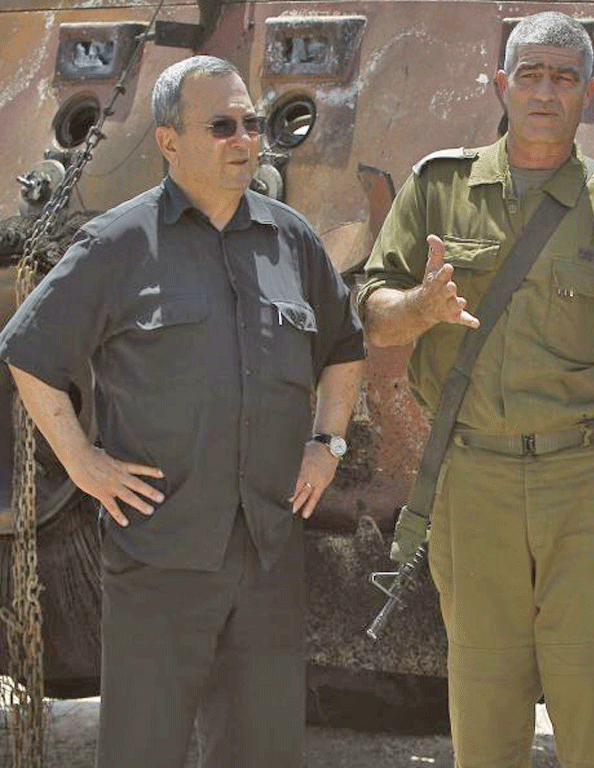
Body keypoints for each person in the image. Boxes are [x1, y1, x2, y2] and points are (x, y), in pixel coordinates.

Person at [0, 56, 365, 768]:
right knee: (144, 750)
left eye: (252, 124)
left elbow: (344, 347)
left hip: (266, 551)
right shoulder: (118, 244)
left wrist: (328, 443)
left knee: (261, 752)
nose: (245, 140)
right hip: (159, 554)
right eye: (222, 125)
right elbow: (28, 353)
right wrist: (81, 460)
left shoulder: (292, 240)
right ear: (169, 142)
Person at [358, 12, 594, 768]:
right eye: (531, 74)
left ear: (593, 95)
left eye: (565, 77)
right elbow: (374, 316)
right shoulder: (438, 186)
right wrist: (420, 308)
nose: (546, 91)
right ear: (500, 85)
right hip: (472, 479)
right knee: (484, 699)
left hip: (587, 478)